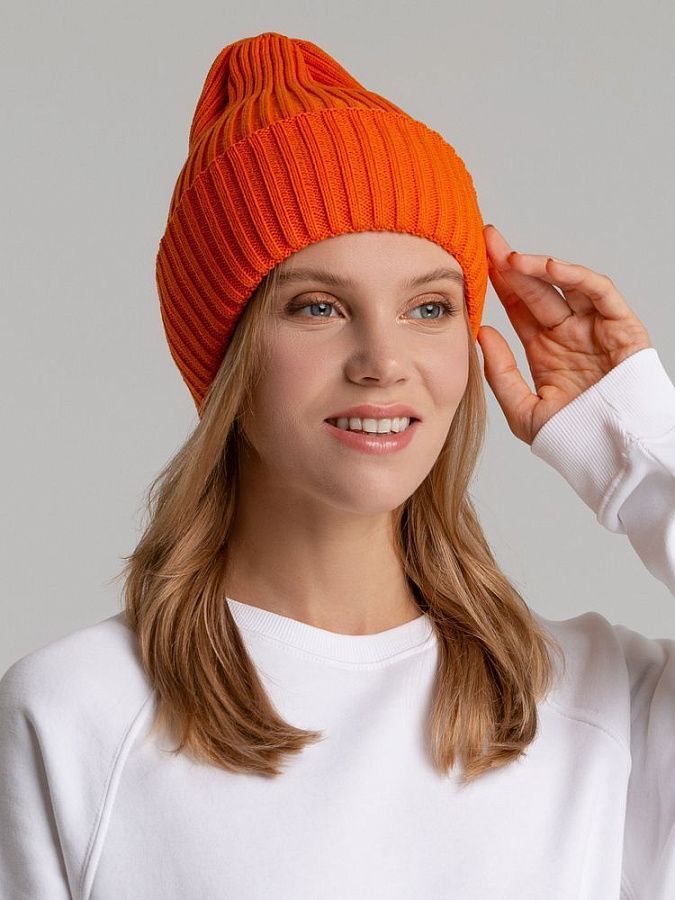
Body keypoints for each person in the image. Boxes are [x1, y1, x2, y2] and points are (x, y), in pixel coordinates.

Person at [0, 29, 673, 900]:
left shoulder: (601, 704)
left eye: (428, 308)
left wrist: (634, 443)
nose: (383, 362)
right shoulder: (75, 714)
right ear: (229, 355)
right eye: (317, 306)